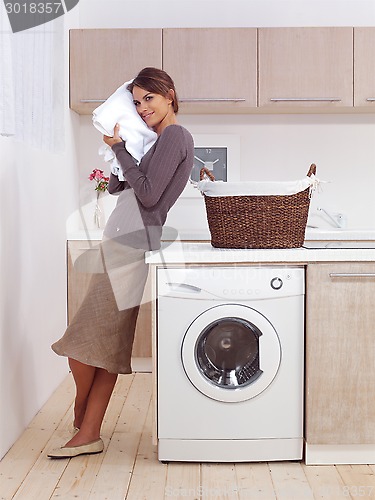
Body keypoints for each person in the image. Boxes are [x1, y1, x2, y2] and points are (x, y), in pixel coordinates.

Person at [47, 67, 194, 458]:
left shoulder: (177, 136)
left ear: (170, 96)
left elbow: (147, 196)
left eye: (149, 99)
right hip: (123, 241)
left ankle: (82, 413)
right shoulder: (154, 142)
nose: (142, 108)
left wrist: (119, 150)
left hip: (130, 245)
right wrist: (125, 148)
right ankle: (89, 433)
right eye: (136, 102)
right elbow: (117, 186)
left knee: (82, 342)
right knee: (108, 344)